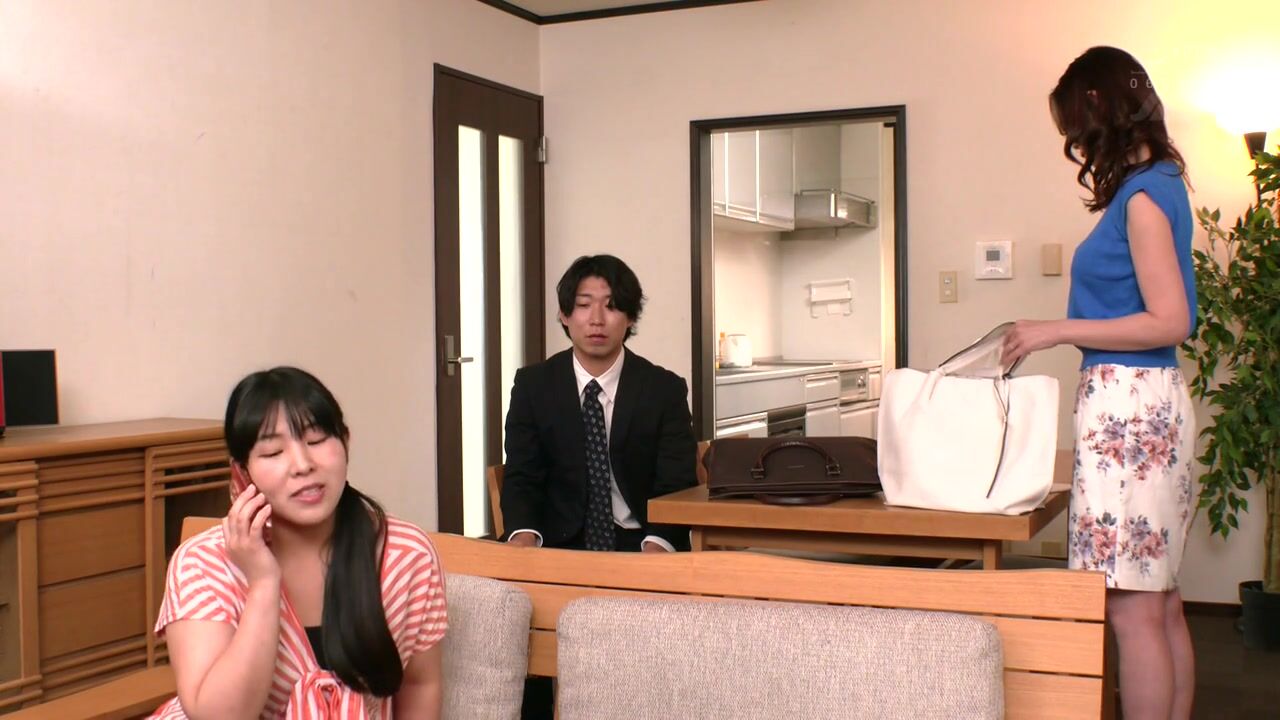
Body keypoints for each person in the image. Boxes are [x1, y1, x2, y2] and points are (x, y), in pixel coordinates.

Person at [1002, 47, 1197, 720]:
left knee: (1131, 610)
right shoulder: (1162, 181)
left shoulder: (1141, 198)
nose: (1076, 144)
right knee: (1160, 603)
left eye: (1076, 127)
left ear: (1097, 106)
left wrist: (1054, 330)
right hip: (1151, 405)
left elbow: (1170, 320)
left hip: (1129, 412)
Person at [150, 367, 447, 719]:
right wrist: (263, 583)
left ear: (346, 442)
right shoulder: (201, 563)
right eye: (273, 452)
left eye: (317, 440)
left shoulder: (405, 555)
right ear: (241, 473)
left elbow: (419, 684)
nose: (303, 465)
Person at [502, 253, 697, 553]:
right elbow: (521, 477)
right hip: (556, 545)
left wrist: (658, 546)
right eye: (583, 305)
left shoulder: (663, 390)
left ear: (631, 317)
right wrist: (524, 538)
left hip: (641, 542)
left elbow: (677, 483)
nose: (597, 319)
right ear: (564, 315)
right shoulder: (533, 386)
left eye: (612, 306)